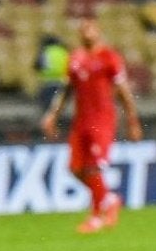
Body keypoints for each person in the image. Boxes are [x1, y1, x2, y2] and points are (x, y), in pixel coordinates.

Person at [41, 18, 145, 234]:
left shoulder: (109, 57)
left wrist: (133, 121)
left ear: (99, 31)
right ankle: (109, 199)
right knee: (75, 169)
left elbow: (124, 92)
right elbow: (67, 91)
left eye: (90, 28)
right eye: (83, 29)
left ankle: (97, 216)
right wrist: (52, 115)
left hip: (102, 120)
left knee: (93, 167)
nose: (86, 32)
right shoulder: (74, 58)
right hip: (81, 121)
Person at [34, 34, 69, 115]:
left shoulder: (46, 51)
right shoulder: (63, 51)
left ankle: (48, 120)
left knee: (47, 107)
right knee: (59, 105)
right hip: (62, 82)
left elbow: (37, 65)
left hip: (48, 83)